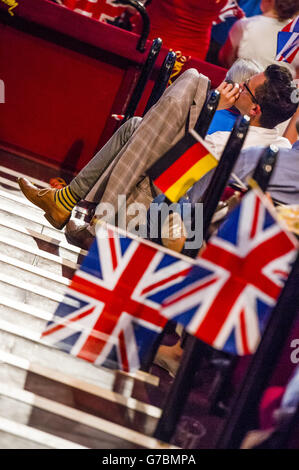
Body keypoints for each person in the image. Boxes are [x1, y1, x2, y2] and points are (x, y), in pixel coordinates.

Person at [18, 64, 297, 250]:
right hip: (191, 212)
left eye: (245, 85)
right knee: (137, 127)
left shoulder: (226, 143)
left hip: (175, 217)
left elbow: (172, 177)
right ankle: (65, 203)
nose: (237, 85)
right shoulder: (281, 147)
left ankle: (84, 212)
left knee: (179, 94)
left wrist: (211, 107)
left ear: (255, 109)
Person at [218, 0, 299, 77]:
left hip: (241, 88)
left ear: (269, 1)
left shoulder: (245, 26)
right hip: (280, 90)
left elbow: (225, 59)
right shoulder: (296, 35)